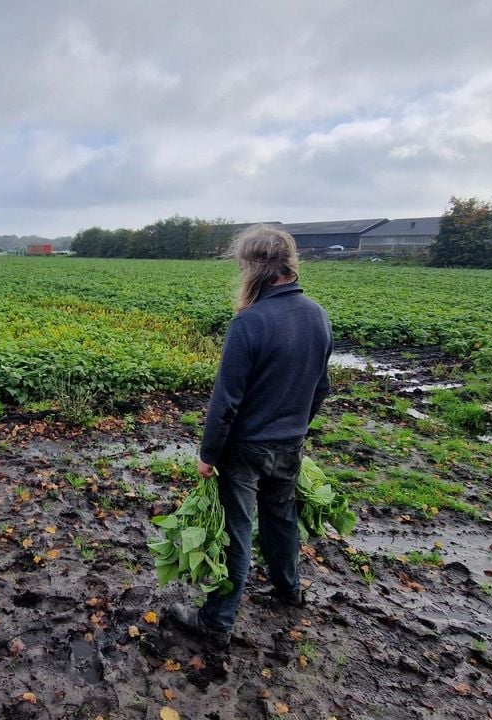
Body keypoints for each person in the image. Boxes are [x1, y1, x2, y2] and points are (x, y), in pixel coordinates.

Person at [167, 224, 333, 645]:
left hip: (244, 451)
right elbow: (321, 387)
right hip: (290, 444)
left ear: (250, 267)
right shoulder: (317, 315)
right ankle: (289, 590)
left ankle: (217, 622)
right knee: (282, 519)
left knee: (236, 532)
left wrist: (208, 454)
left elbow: (226, 403)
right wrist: (297, 427)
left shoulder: (249, 322)